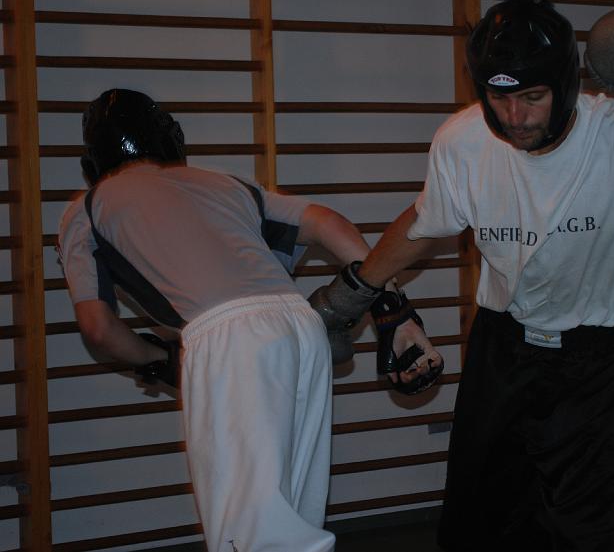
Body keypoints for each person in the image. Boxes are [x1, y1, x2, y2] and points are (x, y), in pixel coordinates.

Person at [346, 0, 614, 552]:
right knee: (474, 527)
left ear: (565, 86)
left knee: (583, 535)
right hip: (502, 351)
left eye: (532, 97)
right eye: (499, 98)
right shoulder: (463, 140)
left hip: (599, 365)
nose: (515, 117)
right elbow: (424, 222)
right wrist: (352, 295)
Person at [57, 88, 436, 551]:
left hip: (230, 339)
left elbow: (99, 330)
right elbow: (327, 222)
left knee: (252, 535)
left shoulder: (86, 209)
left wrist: (160, 359)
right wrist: (393, 313)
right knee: (294, 514)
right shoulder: (227, 183)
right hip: (300, 326)